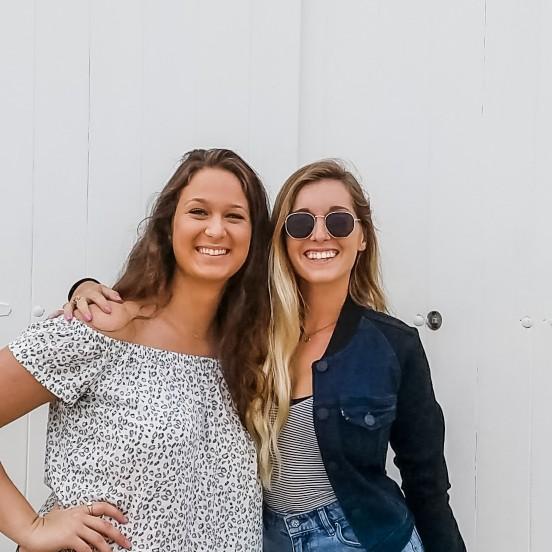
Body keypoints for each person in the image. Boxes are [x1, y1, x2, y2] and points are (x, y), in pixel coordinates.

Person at [66, 160, 466, 552]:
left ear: (362, 236)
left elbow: (426, 484)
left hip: (366, 538)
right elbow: (172, 309)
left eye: (339, 221)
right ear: (283, 239)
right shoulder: (246, 330)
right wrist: (86, 290)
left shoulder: (393, 346)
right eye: (301, 223)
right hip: (264, 539)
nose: (320, 235)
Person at [0, 148, 272, 551]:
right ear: (168, 226)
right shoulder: (103, 327)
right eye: (199, 212)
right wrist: (31, 528)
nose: (216, 230)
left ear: (255, 235)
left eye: (234, 216)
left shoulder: (251, 353)